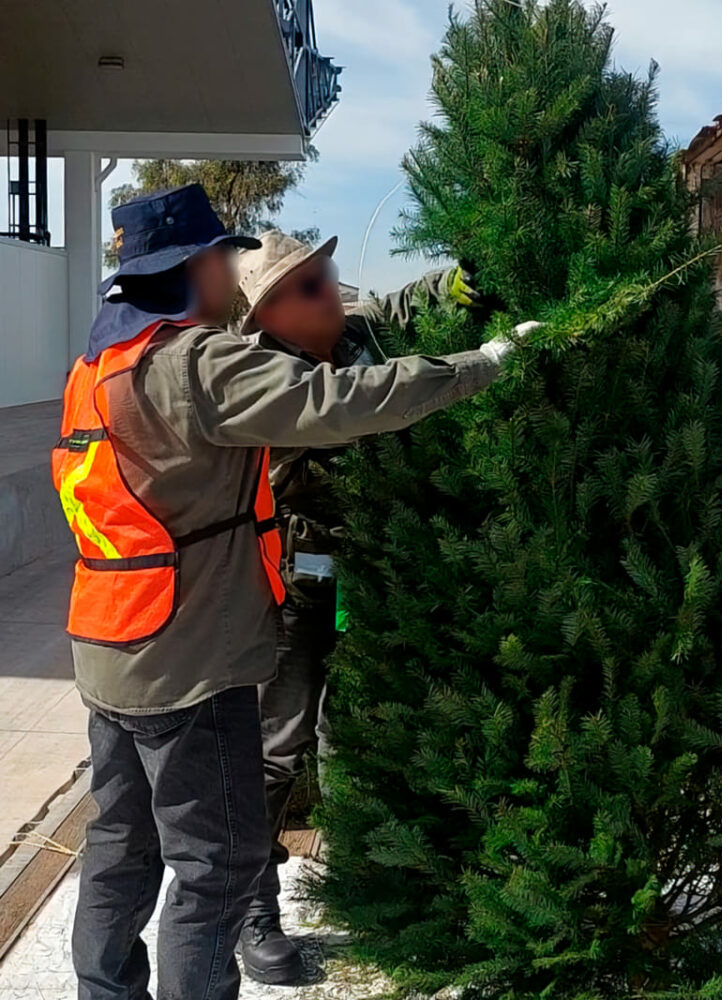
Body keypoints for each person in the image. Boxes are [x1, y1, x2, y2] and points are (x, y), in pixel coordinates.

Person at [53, 183, 534, 1000]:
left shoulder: (101, 363)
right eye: (218, 256)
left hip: (109, 649)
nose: (224, 267)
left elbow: (367, 321)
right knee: (217, 867)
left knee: (121, 848)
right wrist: (479, 366)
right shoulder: (199, 362)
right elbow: (335, 401)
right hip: (188, 659)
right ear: (193, 267)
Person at [235, 229, 485, 985]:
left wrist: (460, 282)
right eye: (312, 285)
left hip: (373, 572)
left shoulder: (355, 330)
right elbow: (345, 410)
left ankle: (372, 880)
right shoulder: (261, 376)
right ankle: (250, 905)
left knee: (361, 728)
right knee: (278, 747)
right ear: (273, 311)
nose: (333, 291)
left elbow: (401, 305)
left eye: (328, 275)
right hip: (296, 585)